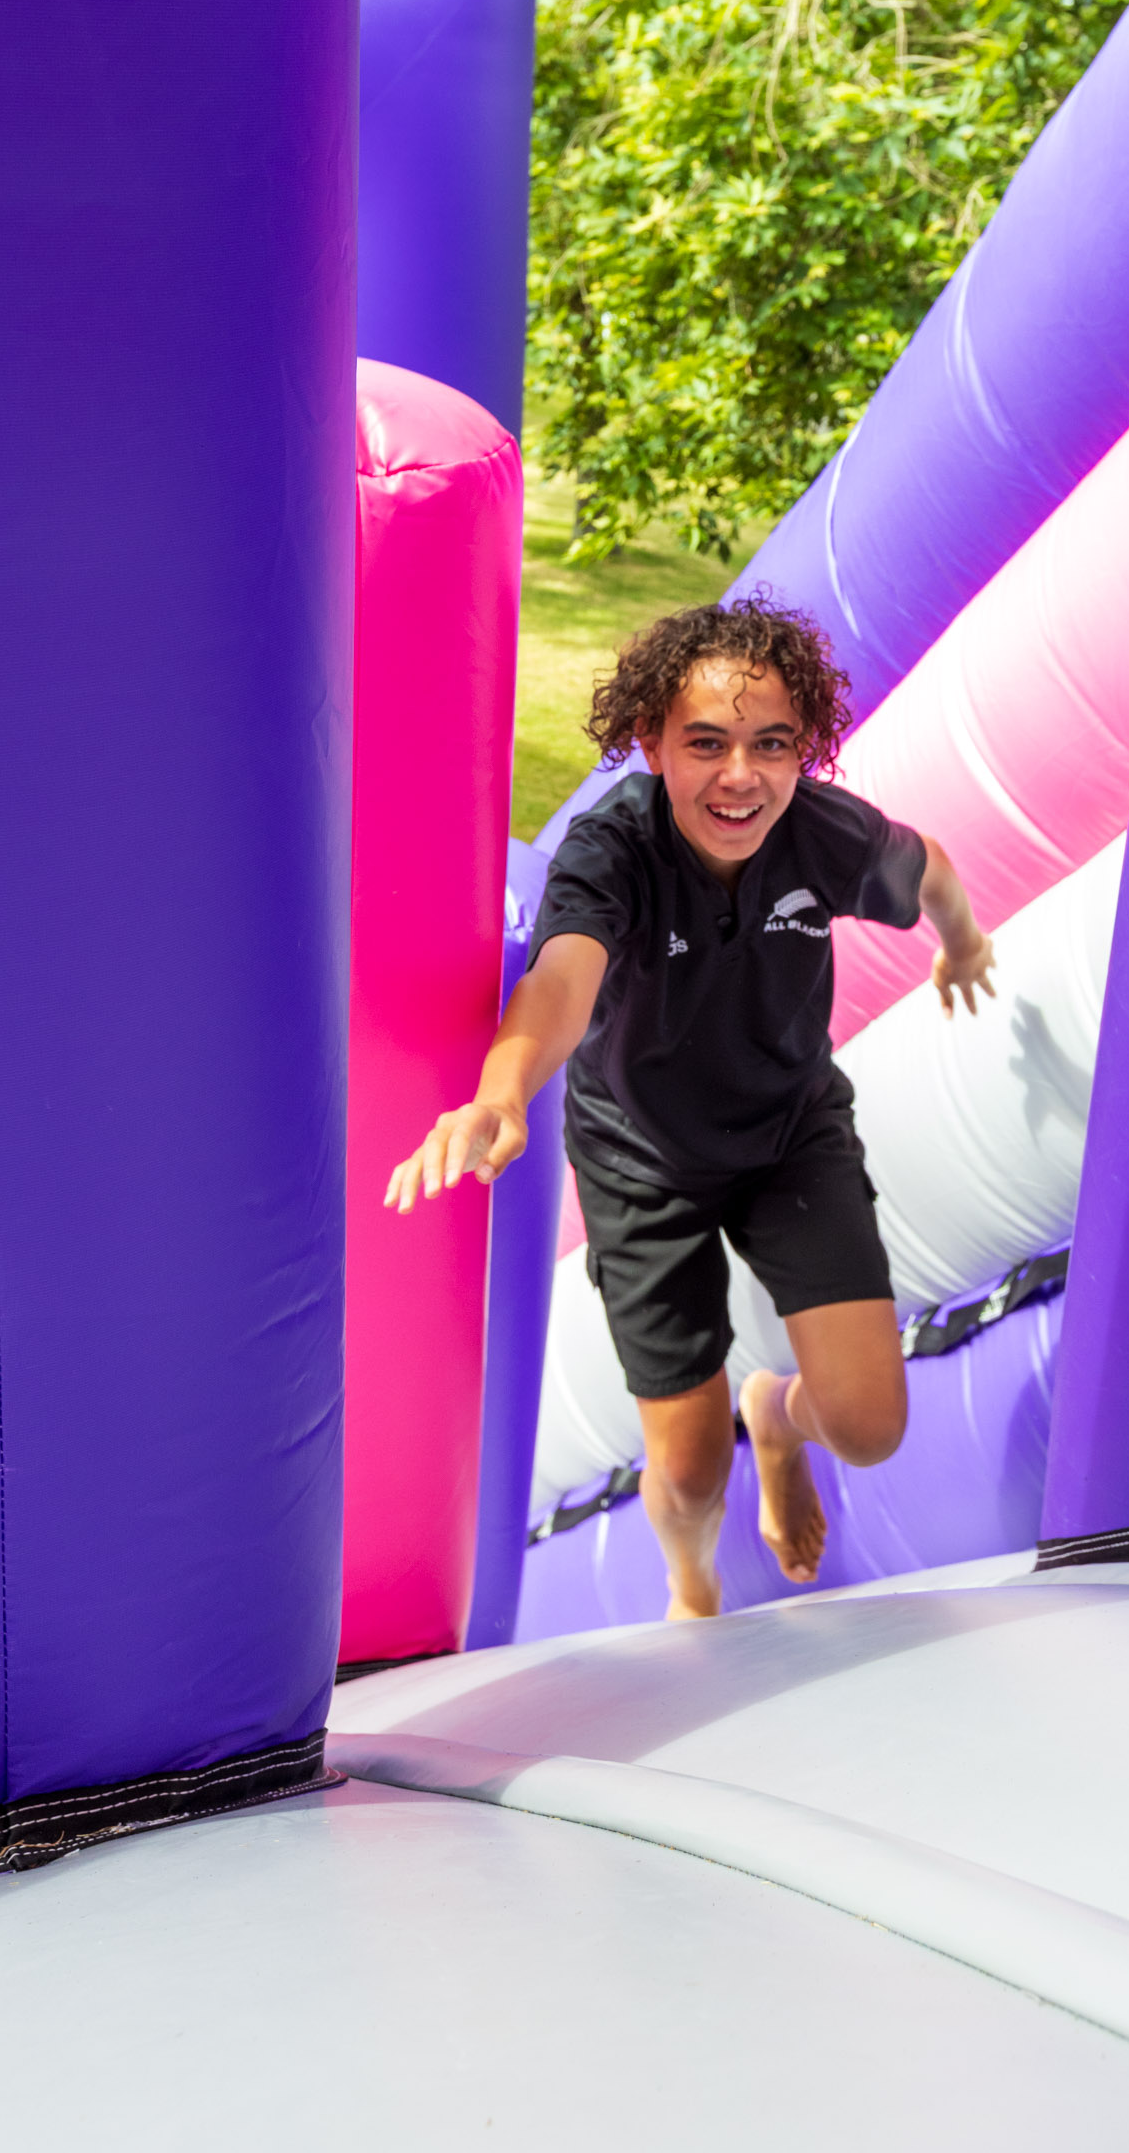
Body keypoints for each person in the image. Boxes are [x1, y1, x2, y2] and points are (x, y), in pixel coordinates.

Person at [387, 594, 995, 1620]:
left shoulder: (822, 833)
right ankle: (691, 1583)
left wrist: (964, 939)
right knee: (687, 1465)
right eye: (704, 743)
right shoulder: (611, 849)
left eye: (772, 744)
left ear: (805, 747)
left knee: (866, 1424)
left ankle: (780, 1417)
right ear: (649, 741)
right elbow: (563, 978)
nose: (739, 775)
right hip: (644, 1157)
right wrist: (502, 1091)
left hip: (788, 1131)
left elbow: (927, 865)